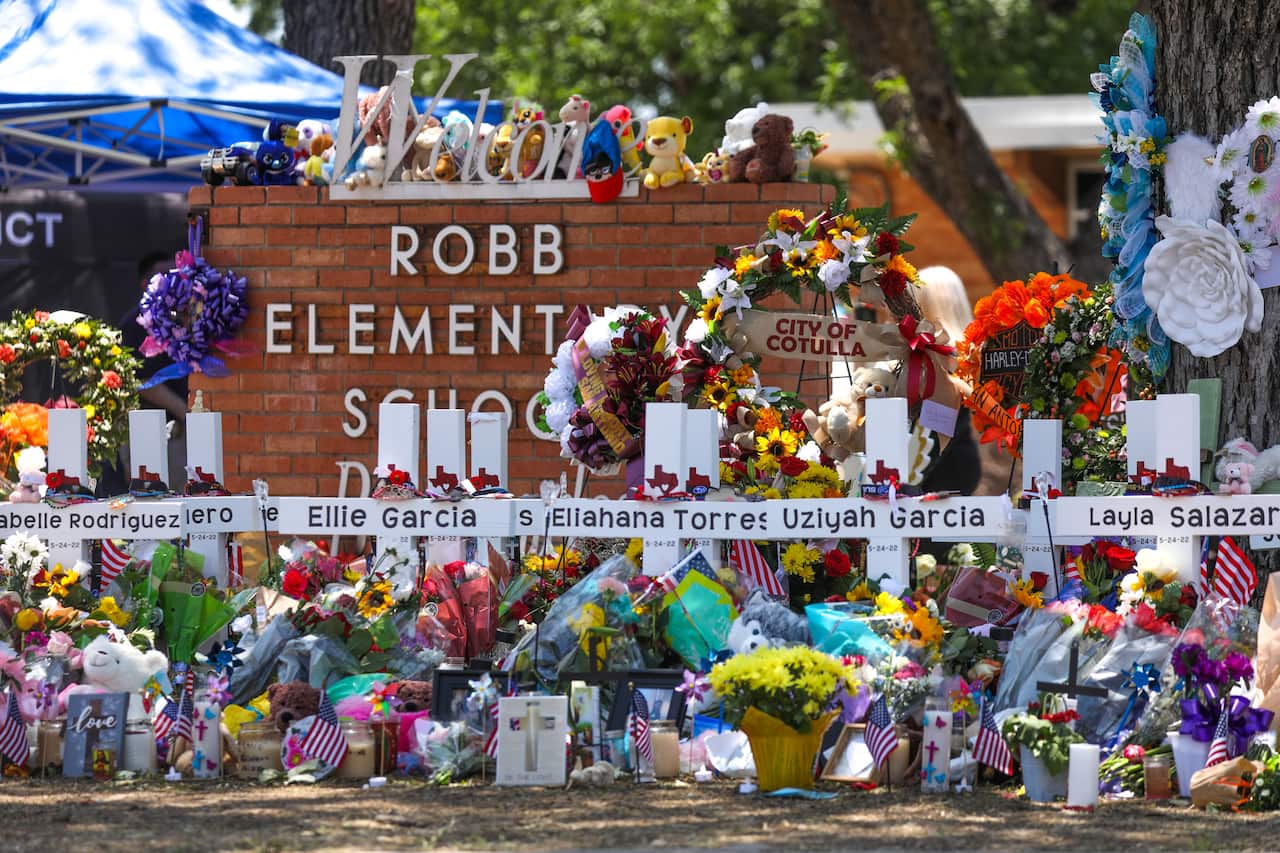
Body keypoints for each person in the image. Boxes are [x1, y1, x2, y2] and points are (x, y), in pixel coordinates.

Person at [96, 252, 188, 496]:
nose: (173, 281)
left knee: (188, 501)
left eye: (177, 275)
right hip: (158, 434)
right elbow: (139, 380)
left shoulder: (183, 320)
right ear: (146, 283)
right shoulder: (135, 323)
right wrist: (185, 412)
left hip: (184, 430)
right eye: (164, 276)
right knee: (157, 501)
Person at [913, 265, 982, 496]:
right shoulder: (970, 353)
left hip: (937, 465)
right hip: (955, 460)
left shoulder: (941, 355)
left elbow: (941, 423)